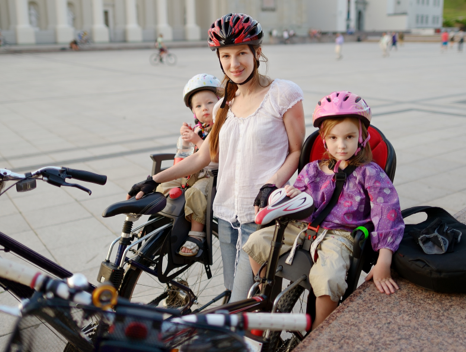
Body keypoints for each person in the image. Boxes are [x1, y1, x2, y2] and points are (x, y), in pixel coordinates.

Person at [127, 13, 305, 302]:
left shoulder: (283, 94)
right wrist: (152, 180)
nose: (234, 64)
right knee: (232, 290)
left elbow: (297, 151)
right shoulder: (223, 105)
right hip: (224, 214)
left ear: (257, 53)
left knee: (240, 300)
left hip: (260, 214)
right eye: (226, 56)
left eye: (241, 54)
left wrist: (271, 184)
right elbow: (202, 157)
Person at [244, 91, 404, 329]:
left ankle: (319, 332)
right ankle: (263, 288)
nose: (341, 145)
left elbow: (387, 213)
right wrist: (295, 196)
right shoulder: (312, 170)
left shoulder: (370, 173)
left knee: (328, 279)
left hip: (339, 237)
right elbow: (298, 198)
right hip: (302, 228)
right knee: (256, 241)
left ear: (362, 136)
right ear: (324, 139)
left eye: (349, 136)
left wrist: (384, 259)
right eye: (334, 138)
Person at [155, 74, 222, 256]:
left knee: (196, 193)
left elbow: (214, 157)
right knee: (164, 186)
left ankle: (196, 234)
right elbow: (183, 156)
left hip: (211, 178)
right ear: (193, 111)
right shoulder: (198, 129)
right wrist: (186, 140)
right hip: (190, 174)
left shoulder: (222, 128)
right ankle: (161, 222)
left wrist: (197, 141)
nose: (205, 109)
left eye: (210, 103)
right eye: (198, 106)